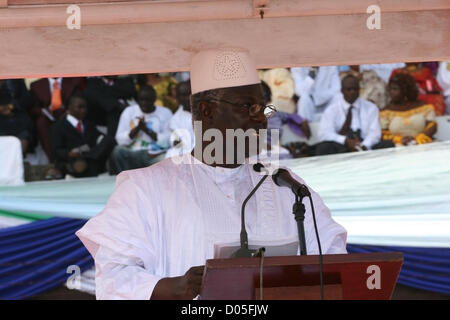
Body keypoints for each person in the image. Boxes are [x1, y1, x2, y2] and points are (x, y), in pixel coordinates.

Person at [76, 48, 347, 300]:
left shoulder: (286, 185)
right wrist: (171, 287)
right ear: (207, 110)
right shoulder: (145, 187)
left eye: (264, 108)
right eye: (249, 107)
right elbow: (113, 276)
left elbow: (333, 259)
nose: (262, 118)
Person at [109, 85, 172, 174]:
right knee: (117, 151)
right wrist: (138, 128)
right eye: (141, 100)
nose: (144, 103)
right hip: (132, 152)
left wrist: (147, 130)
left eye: (147, 100)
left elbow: (168, 140)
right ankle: (123, 182)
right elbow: (119, 139)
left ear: (154, 100)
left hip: (153, 155)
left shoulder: (165, 113)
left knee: (165, 159)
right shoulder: (129, 111)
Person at [50, 94, 115, 178]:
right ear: (69, 107)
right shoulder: (58, 126)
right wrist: (71, 154)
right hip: (72, 161)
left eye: (85, 107)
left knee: (109, 140)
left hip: (89, 159)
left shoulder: (89, 124)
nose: (84, 110)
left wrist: (88, 154)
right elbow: (57, 150)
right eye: (80, 107)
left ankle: (87, 158)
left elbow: (99, 139)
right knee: (81, 163)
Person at [316, 75, 381, 155]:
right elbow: (324, 134)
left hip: (365, 147)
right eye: (349, 89)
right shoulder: (331, 110)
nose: (352, 92)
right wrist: (346, 141)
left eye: (355, 89)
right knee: (324, 148)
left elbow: (375, 134)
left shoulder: (371, 108)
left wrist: (363, 146)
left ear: (359, 90)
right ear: (342, 91)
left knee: (388, 145)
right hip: (341, 147)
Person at [30, 77, 84, 163]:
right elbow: (33, 107)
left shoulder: (72, 83)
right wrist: (43, 111)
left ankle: (72, 158)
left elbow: (78, 101)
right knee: (41, 123)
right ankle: (53, 159)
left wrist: (69, 112)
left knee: (71, 121)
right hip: (47, 117)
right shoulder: (36, 85)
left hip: (67, 115)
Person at [379, 73, 437, 147]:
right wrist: (400, 140)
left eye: (395, 89)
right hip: (397, 148)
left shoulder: (423, 107)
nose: (391, 92)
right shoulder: (386, 112)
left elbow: (432, 126)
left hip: (423, 144)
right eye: (390, 89)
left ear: (405, 90)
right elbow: (383, 133)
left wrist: (419, 139)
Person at [0, 86, 35, 155]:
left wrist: (11, 106)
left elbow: (27, 99)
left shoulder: (16, 80)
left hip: (18, 115)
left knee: (24, 133)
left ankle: (18, 159)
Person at [165, 80, 195, 159]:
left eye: (189, 93)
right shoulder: (175, 120)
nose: (187, 97)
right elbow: (177, 143)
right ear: (177, 98)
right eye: (183, 95)